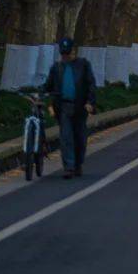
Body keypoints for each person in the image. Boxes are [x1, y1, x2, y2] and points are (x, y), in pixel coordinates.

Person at [44, 35, 97, 179]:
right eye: (64, 54)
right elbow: (48, 87)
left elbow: (91, 84)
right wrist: (48, 101)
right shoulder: (56, 68)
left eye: (68, 53)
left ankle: (78, 164)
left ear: (75, 51)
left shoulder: (83, 65)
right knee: (66, 137)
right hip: (63, 106)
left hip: (80, 106)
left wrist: (90, 102)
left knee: (80, 137)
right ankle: (69, 167)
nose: (66, 56)